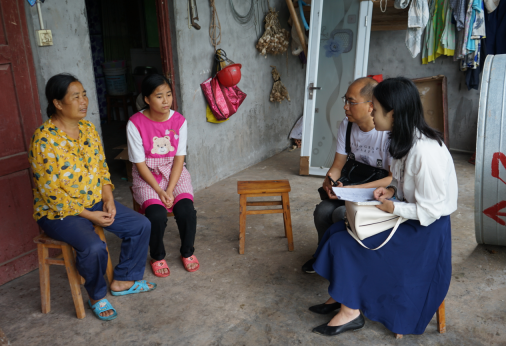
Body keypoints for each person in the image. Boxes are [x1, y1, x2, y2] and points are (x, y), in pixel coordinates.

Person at [308, 77, 457, 336]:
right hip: (408, 218)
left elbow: (431, 212)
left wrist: (393, 208)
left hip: (425, 234)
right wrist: (389, 191)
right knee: (336, 232)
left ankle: (350, 311)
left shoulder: (425, 151)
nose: (372, 115)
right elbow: (401, 183)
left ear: (393, 113)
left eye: (375, 109)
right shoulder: (402, 140)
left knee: (344, 243)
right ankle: (342, 296)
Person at [30, 73, 156, 321]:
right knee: (93, 247)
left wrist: (108, 197)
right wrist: (89, 215)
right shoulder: (43, 139)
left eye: (84, 94)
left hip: (95, 201)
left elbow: (101, 168)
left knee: (141, 224)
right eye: (75, 97)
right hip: (59, 213)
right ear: (57, 103)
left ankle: (123, 281)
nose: (84, 101)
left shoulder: (87, 129)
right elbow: (51, 194)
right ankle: (97, 296)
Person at [302, 77, 393, 273]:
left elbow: (392, 178)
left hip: (377, 191)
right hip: (352, 184)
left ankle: (348, 265)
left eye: (351, 102)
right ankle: (323, 256)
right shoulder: (347, 125)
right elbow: (338, 164)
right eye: (345, 100)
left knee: (341, 214)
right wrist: (331, 181)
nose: (345, 107)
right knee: (322, 211)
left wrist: (352, 190)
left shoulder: (388, 132)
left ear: (371, 106)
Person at [127, 74, 199, 277]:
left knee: (187, 212)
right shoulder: (135, 123)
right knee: (156, 215)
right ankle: (157, 256)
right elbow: (140, 164)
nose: (166, 100)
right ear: (147, 99)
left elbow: (179, 158)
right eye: (159, 96)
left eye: (168, 94)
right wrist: (159, 190)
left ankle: (187, 252)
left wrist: (169, 189)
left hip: (174, 172)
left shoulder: (179, 121)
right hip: (147, 176)